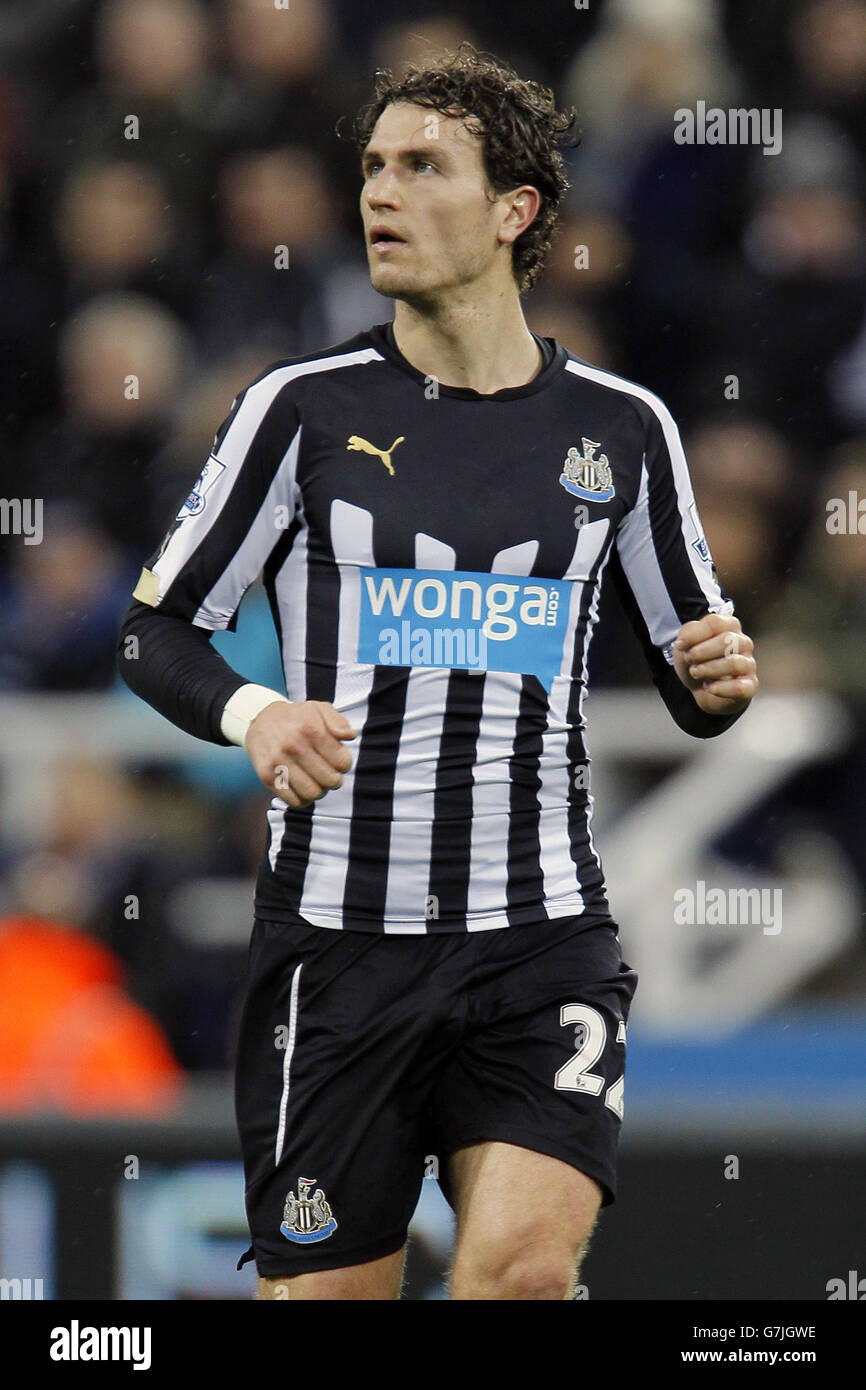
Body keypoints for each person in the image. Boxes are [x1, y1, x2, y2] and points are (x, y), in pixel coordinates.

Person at [117, 46, 759, 1300]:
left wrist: (718, 679)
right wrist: (253, 713)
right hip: (339, 951)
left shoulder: (624, 429)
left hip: (540, 941)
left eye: (421, 166)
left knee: (518, 1275)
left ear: (514, 210)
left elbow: (695, 669)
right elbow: (154, 630)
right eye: (370, 167)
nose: (379, 194)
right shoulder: (295, 411)